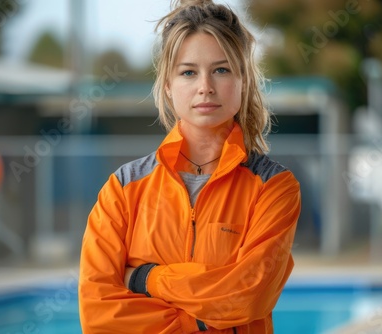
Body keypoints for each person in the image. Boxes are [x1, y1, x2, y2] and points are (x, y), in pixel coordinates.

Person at [78, 0, 301, 333]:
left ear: (243, 81)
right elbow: (99, 316)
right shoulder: (122, 190)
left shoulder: (275, 188)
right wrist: (203, 318)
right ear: (168, 85)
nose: (205, 87)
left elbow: (246, 297)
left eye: (221, 70)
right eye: (188, 72)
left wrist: (145, 278)